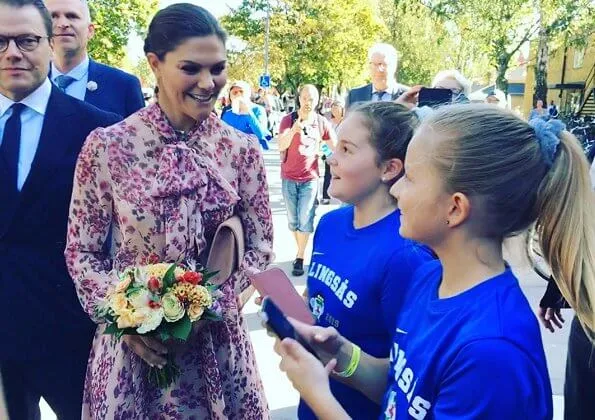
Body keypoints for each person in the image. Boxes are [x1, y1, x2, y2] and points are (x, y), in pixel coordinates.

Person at [272, 104, 587, 419]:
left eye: (410, 177)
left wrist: (317, 395)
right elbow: (403, 390)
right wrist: (341, 353)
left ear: (455, 208)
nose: (396, 189)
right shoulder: (429, 279)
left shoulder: (491, 351)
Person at [64, 4, 272, 418]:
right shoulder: (108, 147)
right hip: (132, 353)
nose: (208, 82)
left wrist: (208, 303)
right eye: (191, 68)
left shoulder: (241, 150)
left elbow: (261, 246)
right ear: (155, 64)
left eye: (218, 68)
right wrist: (124, 316)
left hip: (218, 351)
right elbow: (82, 252)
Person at [0, 0, 120, 418]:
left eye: (26, 40)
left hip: (70, 335)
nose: (12, 52)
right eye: (0, 41)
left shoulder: (98, 130)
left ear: (49, 44)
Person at [299, 101, 433, 420]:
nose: (332, 157)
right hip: (312, 408)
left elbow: (406, 382)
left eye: (347, 149)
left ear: (389, 168)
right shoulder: (330, 223)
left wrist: (338, 362)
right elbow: (315, 301)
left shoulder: (406, 255)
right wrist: (288, 316)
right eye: (336, 145)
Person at [45, 0, 144, 117]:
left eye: (72, 16)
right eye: (53, 17)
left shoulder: (124, 86)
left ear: (90, 31)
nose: (62, 23)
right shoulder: (27, 86)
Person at [278, 84, 336, 276]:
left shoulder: (321, 123)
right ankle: (300, 250)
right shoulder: (288, 120)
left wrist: (326, 154)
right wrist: (294, 130)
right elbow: (281, 145)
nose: (308, 103)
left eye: (311, 99)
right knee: (293, 221)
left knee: (305, 219)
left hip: (310, 178)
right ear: (299, 98)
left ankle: (300, 255)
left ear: (317, 101)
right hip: (288, 177)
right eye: (304, 98)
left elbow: (334, 147)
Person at [346, 43, 408, 109]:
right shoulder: (355, 95)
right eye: (374, 64)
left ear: (394, 66)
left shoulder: (408, 95)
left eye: (383, 64)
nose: (378, 70)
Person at [221, 79, 270, 149]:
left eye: (241, 91)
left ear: (248, 94)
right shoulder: (227, 114)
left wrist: (248, 113)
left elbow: (261, 134)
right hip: (232, 153)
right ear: (230, 97)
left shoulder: (258, 110)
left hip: (252, 152)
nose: (238, 95)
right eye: (235, 93)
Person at [321, 99, 345, 204]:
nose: (334, 111)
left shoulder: (346, 123)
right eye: (333, 109)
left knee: (342, 175)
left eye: (337, 109)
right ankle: (325, 196)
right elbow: (324, 138)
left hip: (342, 154)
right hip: (329, 153)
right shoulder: (329, 123)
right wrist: (325, 151)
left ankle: (343, 195)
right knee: (328, 174)